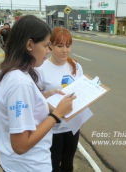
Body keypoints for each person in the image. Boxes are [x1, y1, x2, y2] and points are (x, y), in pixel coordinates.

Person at [0, 15, 76, 172]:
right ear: (30, 44)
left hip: (13, 163)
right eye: (46, 45)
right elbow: (21, 145)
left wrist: (42, 98)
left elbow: (14, 106)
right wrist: (58, 113)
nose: (48, 51)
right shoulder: (20, 83)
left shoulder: (9, 71)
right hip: (29, 166)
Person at [36, 27, 84, 172]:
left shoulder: (75, 66)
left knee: (68, 163)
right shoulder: (41, 68)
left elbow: (81, 90)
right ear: (50, 46)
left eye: (68, 46)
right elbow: (35, 101)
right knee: (53, 164)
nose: (65, 50)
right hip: (52, 128)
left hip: (72, 126)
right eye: (60, 46)